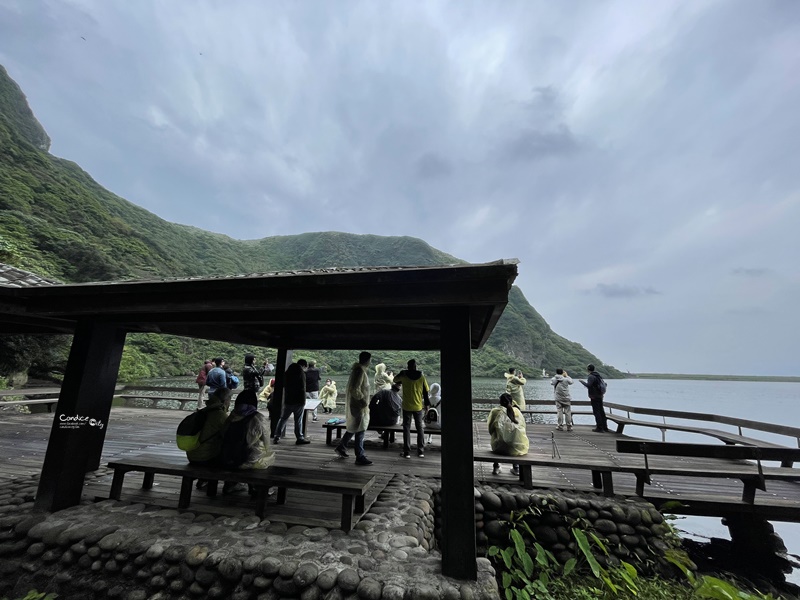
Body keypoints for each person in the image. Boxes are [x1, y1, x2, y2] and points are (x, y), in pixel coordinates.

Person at [220, 389, 276, 494]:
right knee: (267, 454)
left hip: (229, 458)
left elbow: (223, 435)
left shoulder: (231, 417)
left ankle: (232, 483)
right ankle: (258, 487)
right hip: (249, 461)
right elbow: (267, 443)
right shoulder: (258, 418)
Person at [186, 388, 232, 489]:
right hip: (205, 458)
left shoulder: (204, 411)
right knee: (232, 453)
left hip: (192, 455)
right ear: (225, 400)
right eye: (230, 398)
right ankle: (230, 484)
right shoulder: (220, 416)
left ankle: (203, 479)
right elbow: (230, 438)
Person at [335, 352, 373, 466]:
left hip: (356, 404)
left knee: (355, 427)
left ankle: (342, 446)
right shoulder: (360, 371)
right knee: (360, 429)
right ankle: (359, 456)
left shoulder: (358, 370)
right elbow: (355, 389)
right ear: (368, 360)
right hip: (359, 405)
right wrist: (363, 401)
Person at [393, 359, 430, 459]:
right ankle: (421, 451)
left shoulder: (404, 375)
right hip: (418, 406)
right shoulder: (421, 376)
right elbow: (426, 392)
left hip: (406, 406)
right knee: (420, 429)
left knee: (406, 429)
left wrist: (401, 373)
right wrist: (427, 404)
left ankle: (407, 452)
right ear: (415, 366)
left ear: (408, 366)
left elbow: (395, 380)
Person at [487, 393, 529, 476]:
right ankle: (516, 468)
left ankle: (496, 467)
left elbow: (490, 428)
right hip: (517, 448)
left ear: (500, 402)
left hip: (499, 447)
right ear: (511, 401)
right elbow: (523, 427)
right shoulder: (517, 411)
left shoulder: (496, 411)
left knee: (497, 437)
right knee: (515, 439)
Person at [273, 359, 311, 445]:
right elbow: (302, 388)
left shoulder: (288, 372)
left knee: (283, 418)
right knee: (298, 420)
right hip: (298, 400)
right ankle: (299, 437)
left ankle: (276, 436)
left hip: (288, 399)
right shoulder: (301, 373)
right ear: (304, 366)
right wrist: (303, 400)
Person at [580, 364, 609, 432]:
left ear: (588, 369)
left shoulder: (591, 376)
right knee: (601, 411)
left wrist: (582, 382)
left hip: (594, 396)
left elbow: (589, 385)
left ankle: (599, 427)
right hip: (600, 395)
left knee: (596, 412)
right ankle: (605, 427)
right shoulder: (598, 375)